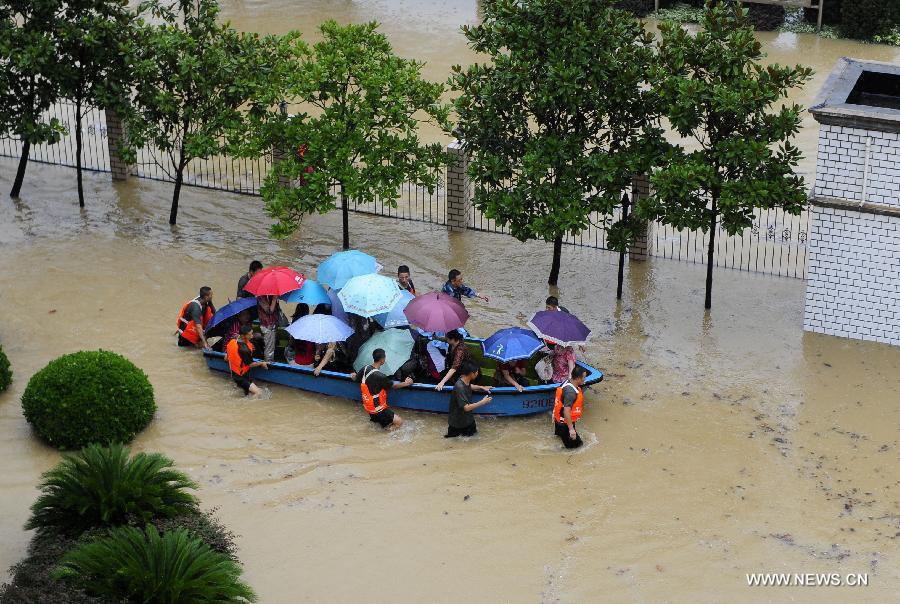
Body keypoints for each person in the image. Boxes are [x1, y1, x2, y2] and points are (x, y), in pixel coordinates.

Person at [350, 348, 413, 429]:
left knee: (381, 425)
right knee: (399, 422)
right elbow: (393, 386)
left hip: (369, 408)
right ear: (382, 360)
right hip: (378, 409)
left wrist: (353, 376)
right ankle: (387, 435)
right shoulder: (380, 376)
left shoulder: (365, 368)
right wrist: (406, 383)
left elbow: (356, 379)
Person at [445, 361, 493, 438]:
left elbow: (468, 386)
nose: (477, 373)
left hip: (468, 421)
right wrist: (482, 402)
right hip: (457, 425)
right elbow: (466, 408)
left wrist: (481, 387)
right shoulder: (459, 387)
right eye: (476, 372)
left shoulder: (463, 378)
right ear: (471, 373)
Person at [226, 324, 269, 396]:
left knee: (247, 393)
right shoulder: (244, 350)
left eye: (252, 333)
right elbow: (250, 364)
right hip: (241, 377)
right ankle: (247, 406)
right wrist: (262, 363)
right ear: (243, 336)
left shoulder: (233, 341)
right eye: (250, 334)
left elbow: (227, 357)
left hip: (234, 373)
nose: (252, 336)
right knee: (259, 392)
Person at [553, 366, 587, 449]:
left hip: (558, 419)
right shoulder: (571, 393)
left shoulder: (567, 382)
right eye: (584, 378)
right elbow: (566, 411)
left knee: (559, 437)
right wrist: (571, 430)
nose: (584, 380)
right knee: (578, 447)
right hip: (564, 423)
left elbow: (559, 398)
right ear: (578, 378)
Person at [256, 295, 281, 363]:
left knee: (271, 347)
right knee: (269, 348)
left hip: (272, 325)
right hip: (267, 326)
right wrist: (274, 299)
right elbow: (269, 311)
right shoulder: (261, 297)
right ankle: (268, 364)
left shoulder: (270, 296)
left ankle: (269, 362)